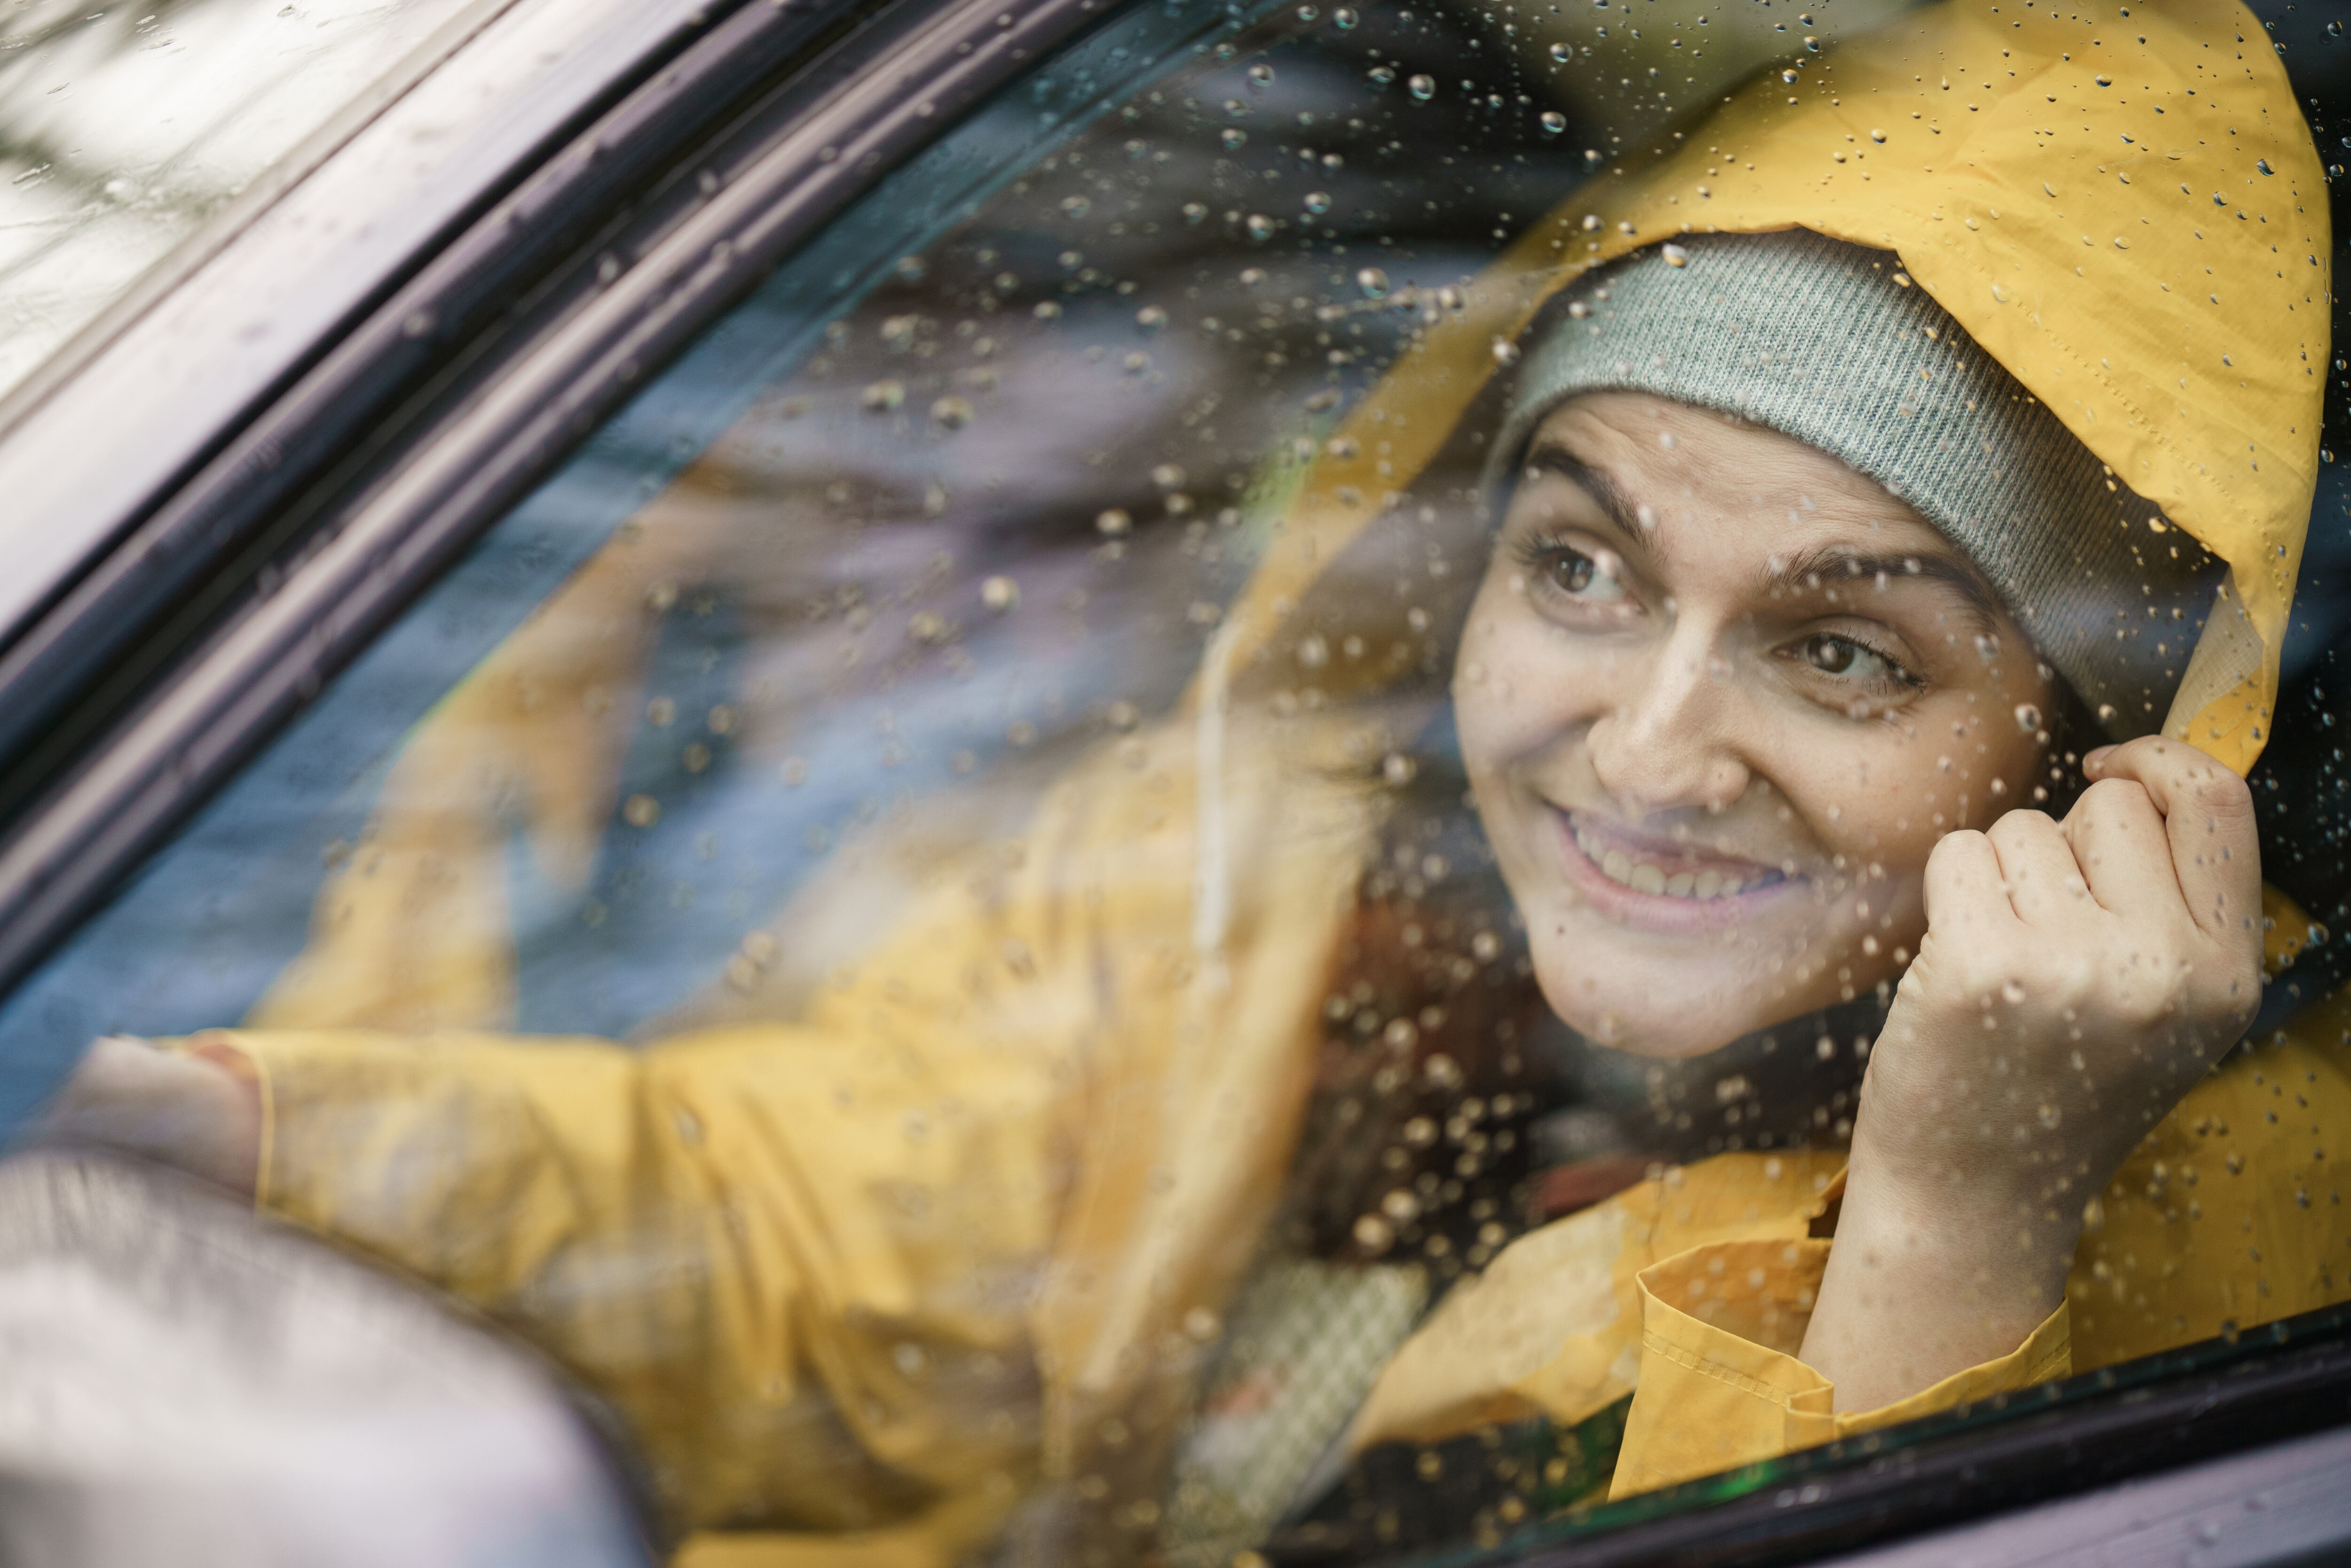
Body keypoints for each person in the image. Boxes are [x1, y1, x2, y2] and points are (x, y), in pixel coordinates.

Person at [35, 2, 2345, 1564]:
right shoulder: (1292, 878)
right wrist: (256, 1142)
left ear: (2110, 761)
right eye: (1575, 564)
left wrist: (1955, 1235)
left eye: (1841, 649)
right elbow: (860, 1241)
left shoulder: (2247, 1236)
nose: (1639, 750)